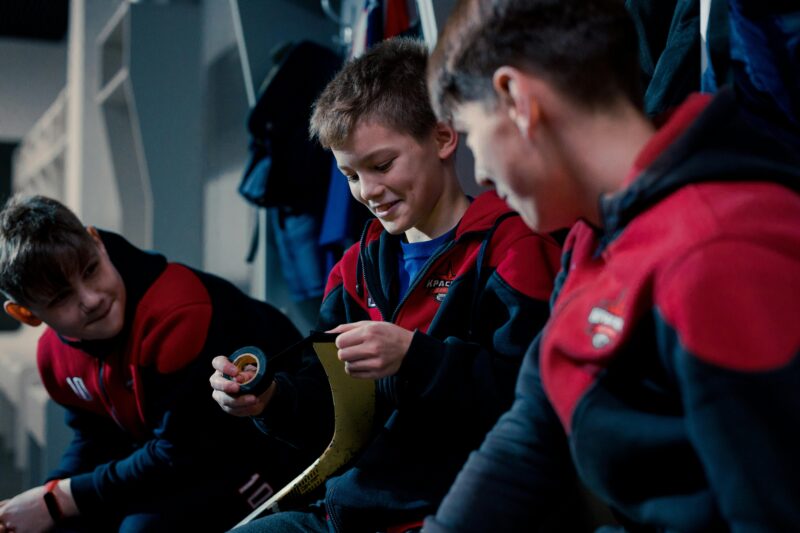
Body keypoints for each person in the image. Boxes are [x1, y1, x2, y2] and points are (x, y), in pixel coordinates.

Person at [423, 0, 800, 531]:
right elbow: (534, 422)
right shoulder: (592, 236)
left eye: (471, 131)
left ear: (517, 99)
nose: (479, 171)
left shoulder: (715, 253)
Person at [209, 37, 563, 532]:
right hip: (351, 512)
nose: (367, 192)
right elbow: (336, 423)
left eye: (381, 165)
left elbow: (539, 402)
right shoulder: (354, 271)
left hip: (464, 512)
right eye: (350, 175)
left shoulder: (512, 250)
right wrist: (270, 400)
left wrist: (416, 359)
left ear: (443, 137)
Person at [0, 195, 321, 532]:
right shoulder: (55, 355)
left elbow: (181, 453)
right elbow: (94, 436)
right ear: (27, 314)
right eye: (61, 297)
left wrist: (61, 499)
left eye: (91, 270)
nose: (91, 299)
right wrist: (49, 495)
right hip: (182, 462)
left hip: (271, 458)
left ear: (97, 242)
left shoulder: (178, 312)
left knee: (141, 530)